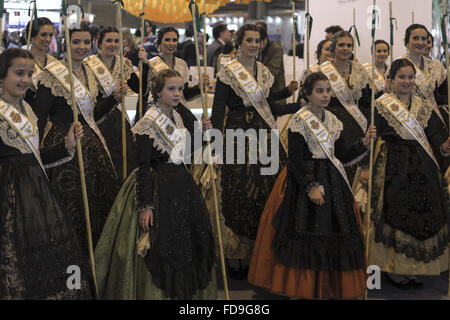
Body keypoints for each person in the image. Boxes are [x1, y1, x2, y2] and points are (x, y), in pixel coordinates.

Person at [248, 72, 376, 299]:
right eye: (320, 91)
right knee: (302, 234)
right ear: (307, 94)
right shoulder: (300, 119)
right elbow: (294, 160)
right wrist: (311, 186)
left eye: (328, 90)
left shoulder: (334, 120)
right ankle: (301, 288)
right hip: (304, 181)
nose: (326, 95)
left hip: (332, 180)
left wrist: (363, 143)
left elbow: (343, 155)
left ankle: (326, 287)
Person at [94, 69, 217, 300]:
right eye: (171, 89)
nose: (178, 93)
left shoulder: (177, 116)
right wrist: (146, 205)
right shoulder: (148, 123)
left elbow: (182, 153)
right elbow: (142, 166)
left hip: (180, 184)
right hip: (157, 188)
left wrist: (203, 132)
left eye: (180, 89)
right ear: (158, 91)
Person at [0, 48, 93, 299]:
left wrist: (67, 144)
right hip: (9, 199)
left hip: (37, 193)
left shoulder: (27, 110)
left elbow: (35, 157)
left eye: (30, 74)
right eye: (19, 73)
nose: (25, 80)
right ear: (2, 76)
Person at [211, 24, 300, 277]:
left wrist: (291, 98)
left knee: (266, 192)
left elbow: (268, 105)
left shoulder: (263, 71)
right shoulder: (228, 70)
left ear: (262, 44)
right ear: (239, 43)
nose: (253, 44)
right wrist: (216, 146)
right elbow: (218, 110)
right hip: (238, 136)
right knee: (238, 193)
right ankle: (235, 254)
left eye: (257, 41)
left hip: (264, 136)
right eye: (248, 40)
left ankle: (257, 252)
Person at [33, 24, 128, 252]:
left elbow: (92, 116)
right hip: (64, 144)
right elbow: (39, 117)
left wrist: (114, 98)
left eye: (86, 42)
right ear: (67, 44)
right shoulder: (51, 75)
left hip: (92, 143)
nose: (82, 47)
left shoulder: (90, 73)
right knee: (72, 204)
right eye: (76, 42)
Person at [365, 58, 450, 288]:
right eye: (402, 77)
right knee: (394, 215)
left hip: (423, 169)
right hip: (393, 168)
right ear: (390, 80)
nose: (407, 81)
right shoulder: (381, 105)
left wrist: (444, 146)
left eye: (410, 77)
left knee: (420, 216)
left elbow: (434, 138)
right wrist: (365, 167)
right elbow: (371, 140)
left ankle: (413, 267)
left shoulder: (423, 106)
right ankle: (393, 269)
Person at [84, 26, 150, 177]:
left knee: (124, 163)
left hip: (119, 120)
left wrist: (144, 65)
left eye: (116, 41)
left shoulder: (124, 64)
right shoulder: (87, 64)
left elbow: (140, 88)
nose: (113, 44)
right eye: (108, 40)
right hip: (97, 119)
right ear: (99, 43)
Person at [318, 31, 373, 185]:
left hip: (356, 124)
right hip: (330, 125)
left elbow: (365, 102)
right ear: (333, 48)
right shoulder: (321, 71)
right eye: (341, 45)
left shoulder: (360, 70)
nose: (345, 48)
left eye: (349, 45)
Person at [137, 26, 209, 127]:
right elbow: (143, 92)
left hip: (181, 112)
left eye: (174, 40)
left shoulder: (182, 64)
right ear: (159, 42)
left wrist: (199, 86)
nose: (171, 43)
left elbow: (185, 95)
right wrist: (144, 65)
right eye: (167, 40)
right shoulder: (150, 64)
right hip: (158, 114)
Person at [392, 24, 447, 127]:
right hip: (407, 123)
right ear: (407, 42)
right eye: (415, 38)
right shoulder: (397, 65)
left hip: (433, 123)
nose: (420, 42)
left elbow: (445, 96)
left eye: (424, 39)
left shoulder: (436, 67)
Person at [24, 17, 58, 107]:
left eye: (50, 35)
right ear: (32, 36)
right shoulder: (21, 61)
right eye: (43, 35)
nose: (48, 39)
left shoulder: (54, 62)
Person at [257, 26, 286, 102]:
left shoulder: (276, 48)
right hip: (262, 91)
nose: (257, 46)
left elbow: (272, 71)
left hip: (276, 91)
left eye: (259, 42)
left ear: (265, 39)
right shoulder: (259, 50)